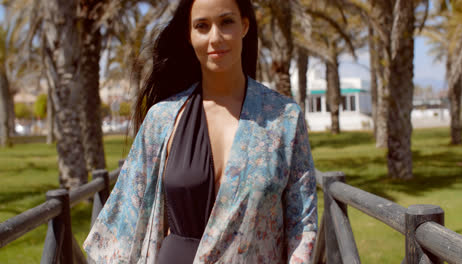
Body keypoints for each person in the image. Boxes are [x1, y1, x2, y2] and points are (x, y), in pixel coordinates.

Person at [83, 0, 317, 263]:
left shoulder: (284, 117)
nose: (215, 38)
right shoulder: (162, 119)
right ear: (190, 34)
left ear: (245, 26)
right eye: (202, 26)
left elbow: (303, 224)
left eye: (226, 22)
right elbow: (123, 223)